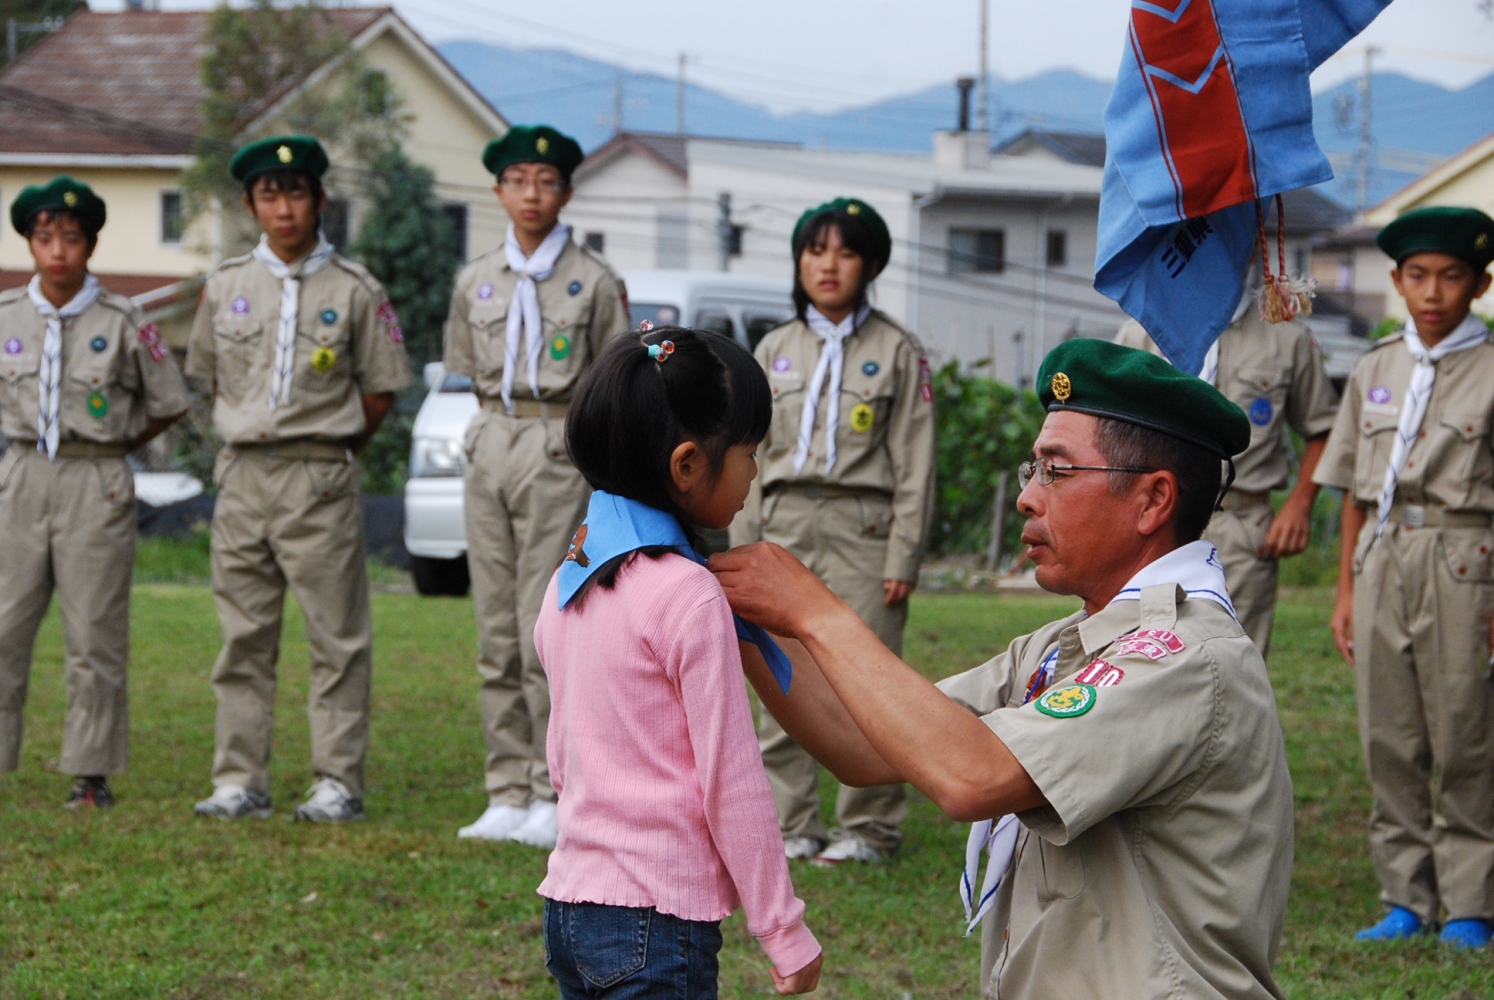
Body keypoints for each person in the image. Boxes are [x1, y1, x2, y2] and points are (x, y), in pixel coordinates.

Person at [712, 339, 1296, 999]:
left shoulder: (1184, 658)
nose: (1027, 497)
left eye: (1056, 471)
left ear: (1153, 500)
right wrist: (737, 610)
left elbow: (972, 777)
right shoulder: (1062, 645)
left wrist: (819, 616)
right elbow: (862, 744)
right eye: (1032, 469)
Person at [535, 327, 822, 997]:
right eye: (749, 452)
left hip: (571, 907)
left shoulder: (567, 582)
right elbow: (732, 777)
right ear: (688, 465)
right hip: (656, 924)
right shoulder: (688, 595)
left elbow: (562, 756)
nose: (755, 473)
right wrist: (782, 929)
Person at [186, 135, 412, 823]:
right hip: (244, 477)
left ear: (319, 200)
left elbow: (380, 391)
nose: (283, 209)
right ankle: (239, 780)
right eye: (269, 195)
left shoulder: (355, 289)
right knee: (243, 635)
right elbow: (208, 378)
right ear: (250, 205)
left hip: (319, 477)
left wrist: (331, 447)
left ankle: (337, 781)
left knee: (336, 638)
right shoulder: (225, 286)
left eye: (296, 194)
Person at [728, 197, 935, 865]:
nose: (829, 265)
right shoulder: (772, 350)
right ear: (799, 262)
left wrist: (904, 553)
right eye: (816, 251)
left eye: (846, 253)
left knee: (868, 677)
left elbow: (917, 461)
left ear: (869, 266)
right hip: (783, 521)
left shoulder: (897, 350)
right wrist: (744, 542)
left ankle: (868, 828)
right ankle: (791, 823)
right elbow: (747, 454)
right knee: (779, 670)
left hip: (863, 528)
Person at [444, 125, 631, 849]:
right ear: (498, 191)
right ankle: (505, 787)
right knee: (494, 627)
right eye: (518, 180)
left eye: (546, 181)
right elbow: (464, 363)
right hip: (492, 435)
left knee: (544, 624)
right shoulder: (475, 279)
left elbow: (616, 378)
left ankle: (555, 788)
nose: (532, 194)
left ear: (567, 192)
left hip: (558, 443)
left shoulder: (594, 280)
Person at [1314, 206, 1494, 948]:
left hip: (1466, 560)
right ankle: (1406, 897)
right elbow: (1356, 493)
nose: (1433, 293)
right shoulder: (1376, 368)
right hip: (1382, 557)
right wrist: (1346, 590)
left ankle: (1471, 901)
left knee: (1465, 732)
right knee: (1388, 734)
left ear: (1481, 284)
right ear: (1396, 282)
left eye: (1451, 277)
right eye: (1418, 276)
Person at [0, 177, 189, 809]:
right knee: (5, 624)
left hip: (95, 477)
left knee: (93, 632)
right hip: (23, 473)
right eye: (45, 237)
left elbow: (168, 401)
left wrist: (115, 441)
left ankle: (90, 772)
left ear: (91, 244)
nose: (58, 251)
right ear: (29, 242)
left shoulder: (124, 320)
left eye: (72, 238)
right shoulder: (6, 317)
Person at [1115, 283, 1338, 654]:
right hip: (1150, 522)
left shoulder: (1285, 338)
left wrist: (1299, 503)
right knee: (1140, 653)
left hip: (1241, 523)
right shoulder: (1141, 331)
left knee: (1234, 659)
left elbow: (1324, 427)